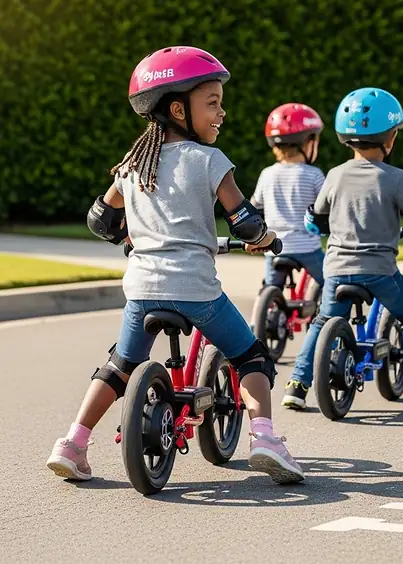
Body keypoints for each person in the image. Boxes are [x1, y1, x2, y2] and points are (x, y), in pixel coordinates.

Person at [46, 46, 304, 484]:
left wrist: (128, 238)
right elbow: (243, 221)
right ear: (178, 108)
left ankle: (73, 443)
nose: (222, 112)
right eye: (213, 103)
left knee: (118, 367)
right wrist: (265, 240)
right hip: (197, 291)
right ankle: (264, 439)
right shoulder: (209, 161)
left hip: (142, 290)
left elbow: (99, 219)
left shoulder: (132, 165)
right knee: (251, 357)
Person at [282, 87, 403, 412]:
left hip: (335, 270)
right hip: (380, 272)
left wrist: (321, 225)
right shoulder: (396, 178)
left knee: (322, 322)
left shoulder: (334, 176)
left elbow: (313, 222)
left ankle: (297, 384)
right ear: (390, 138)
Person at [252, 103, 325, 297]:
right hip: (307, 248)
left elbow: (255, 205)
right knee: (331, 285)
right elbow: (327, 207)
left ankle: (266, 318)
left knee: (270, 291)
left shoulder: (267, 174)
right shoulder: (314, 175)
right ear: (308, 142)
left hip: (275, 247)